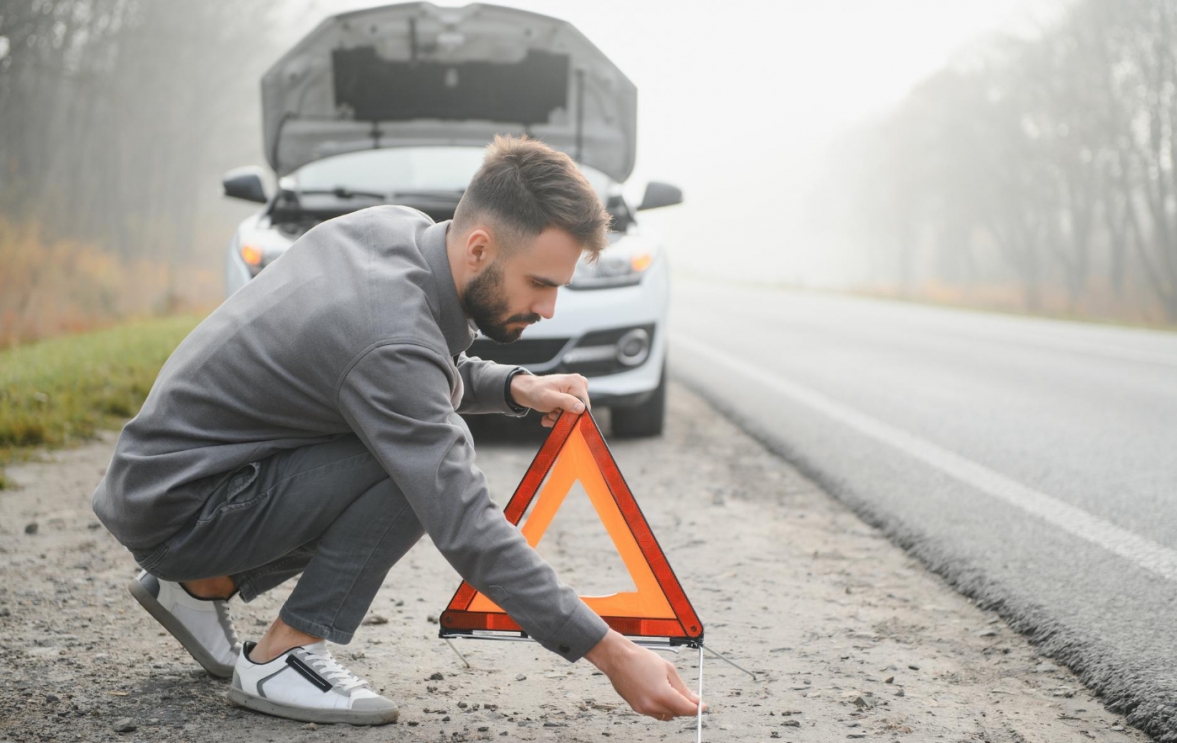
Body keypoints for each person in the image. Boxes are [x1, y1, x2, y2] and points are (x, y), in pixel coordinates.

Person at [91, 135, 702, 726]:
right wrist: (612, 653)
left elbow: (402, 362)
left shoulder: (394, 231)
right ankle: (281, 656)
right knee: (415, 476)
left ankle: (202, 587)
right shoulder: (390, 337)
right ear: (480, 248)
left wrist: (515, 386)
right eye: (540, 283)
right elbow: (462, 517)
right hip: (184, 511)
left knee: (405, 448)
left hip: (168, 482)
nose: (548, 310)